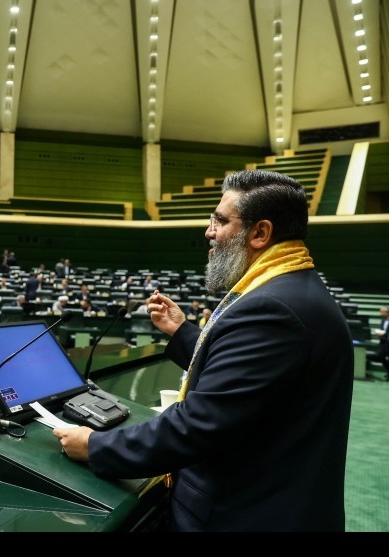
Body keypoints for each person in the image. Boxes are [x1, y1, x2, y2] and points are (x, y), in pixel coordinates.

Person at [53, 169, 353, 532]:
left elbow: (198, 425)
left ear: (260, 233)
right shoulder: (294, 288)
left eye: (220, 221)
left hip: (246, 516)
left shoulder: (272, 309)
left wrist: (95, 446)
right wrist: (182, 332)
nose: (209, 232)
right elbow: (252, 378)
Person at [367, 306, 389, 375]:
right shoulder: (383, 320)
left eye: (382, 312)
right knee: (380, 357)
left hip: (387, 343)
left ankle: (366, 357)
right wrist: (380, 334)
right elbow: (383, 331)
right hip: (383, 342)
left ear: (387, 312)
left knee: (379, 356)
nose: (380, 313)